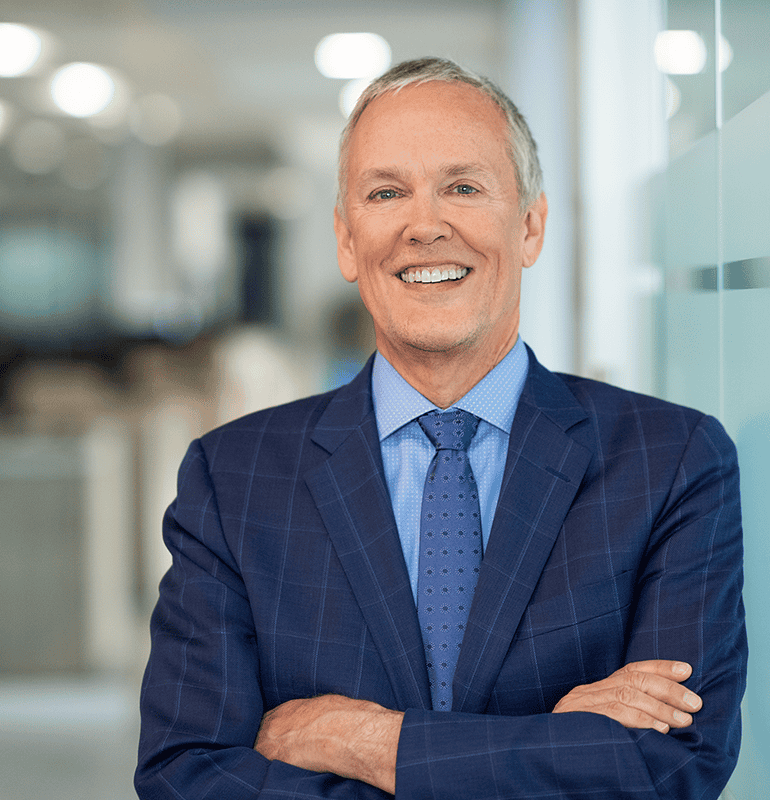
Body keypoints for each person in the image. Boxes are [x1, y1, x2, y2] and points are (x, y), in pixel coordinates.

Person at [135, 58, 746, 799]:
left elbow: (673, 767)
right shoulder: (233, 477)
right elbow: (185, 774)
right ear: (346, 240)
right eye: (387, 192)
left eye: (463, 187)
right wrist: (552, 744)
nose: (425, 225)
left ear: (530, 225)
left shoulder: (671, 461)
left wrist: (355, 740)